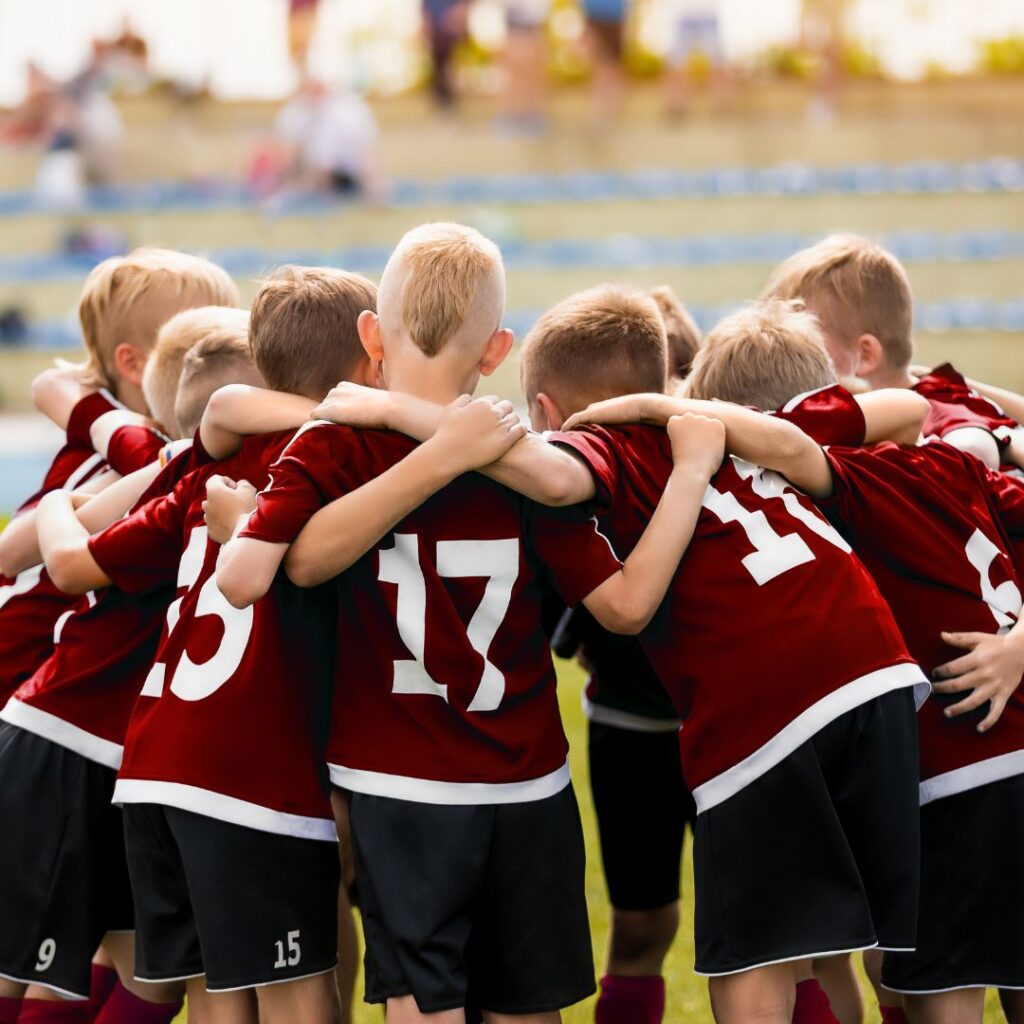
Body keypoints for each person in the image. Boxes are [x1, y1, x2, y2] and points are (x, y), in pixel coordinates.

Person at [306, 281, 928, 1023]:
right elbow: (908, 408)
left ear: (545, 412)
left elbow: (547, 473)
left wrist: (394, 412)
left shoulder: (603, 442)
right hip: (882, 676)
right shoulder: (733, 424)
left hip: (774, 702)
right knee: (830, 948)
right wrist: (676, 412)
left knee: (752, 961)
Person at [207, 223, 724, 1023]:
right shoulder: (521, 459)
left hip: (397, 783)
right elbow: (623, 607)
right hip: (526, 782)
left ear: (371, 336)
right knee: (527, 1006)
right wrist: (690, 474)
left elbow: (300, 562)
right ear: (498, 351)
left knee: (424, 1004)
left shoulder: (338, 442)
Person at [573, 299, 1024, 1024]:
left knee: (890, 969)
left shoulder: (837, 473)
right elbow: (913, 409)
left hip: (911, 755)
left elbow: (794, 447)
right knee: (870, 951)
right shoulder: (952, 458)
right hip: (896, 723)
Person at [25, 268, 377, 1024]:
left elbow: (213, 411)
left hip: (151, 768)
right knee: (296, 991)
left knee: (215, 988)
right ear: (366, 361)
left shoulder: (199, 468)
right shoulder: (337, 460)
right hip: (248, 774)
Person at [0, 307, 254, 1024]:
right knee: (46, 967)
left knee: (144, 969)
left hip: (127, 763)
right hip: (68, 744)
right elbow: (33, 553)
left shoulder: (222, 473)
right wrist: (62, 505)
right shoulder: (174, 466)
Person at [0, 250, 238, 709]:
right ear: (134, 364)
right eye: (203, 338)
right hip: (21, 686)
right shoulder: (100, 458)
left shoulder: (141, 439)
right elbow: (10, 553)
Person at [763, 234, 1024, 474]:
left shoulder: (936, 407)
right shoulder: (931, 388)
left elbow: (975, 448)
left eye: (807, 337)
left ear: (865, 355)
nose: (793, 350)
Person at [662, 0, 729, 118]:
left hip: (708, 14)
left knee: (716, 61)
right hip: (683, 14)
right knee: (676, 63)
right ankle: (676, 104)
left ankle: (722, 103)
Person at [496, 0, 550, 135]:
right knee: (515, 74)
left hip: (533, 26)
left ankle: (532, 115)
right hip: (515, 25)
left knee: (533, 74)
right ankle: (511, 116)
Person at [583, 0, 628, 120]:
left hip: (616, 16)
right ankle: (601, 104)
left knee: (612, 63)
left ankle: (610, 103)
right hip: (594, 14)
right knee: (599, 61)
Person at [422, 1, 469, 109]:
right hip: (436, 28)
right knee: (438, 66)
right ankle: (442, 103)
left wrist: (459, 13)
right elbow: (425, 6)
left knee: (450, 65)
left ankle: (450, 101)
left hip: (451, 26)